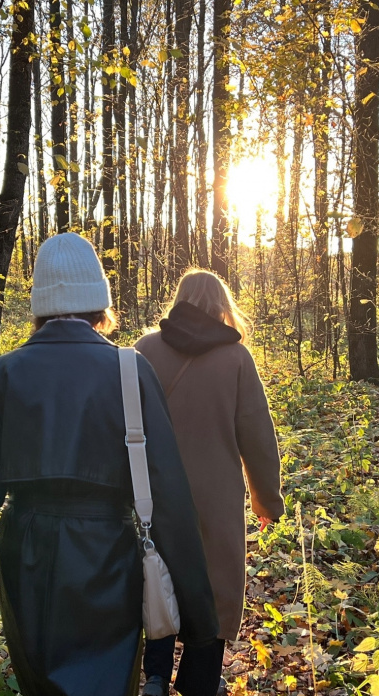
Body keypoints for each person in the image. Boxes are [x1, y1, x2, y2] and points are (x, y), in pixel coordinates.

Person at [0, 234, 223, 696]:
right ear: (99, 301)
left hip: (26, 556)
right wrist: (200, 629)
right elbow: (170, 500)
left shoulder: (5, 373)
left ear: (39, 305)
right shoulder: (130, 369)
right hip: (108, 557)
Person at [134, 269, 285, 696]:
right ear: (222, 304)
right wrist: (267, 500)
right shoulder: (236, 358)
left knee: (157, 577)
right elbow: (256, 435)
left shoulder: (143, 350)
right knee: (217, 586)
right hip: (216, 497)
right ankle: (199, 681)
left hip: (154, 493)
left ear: (179, 300)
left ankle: (156, 677)